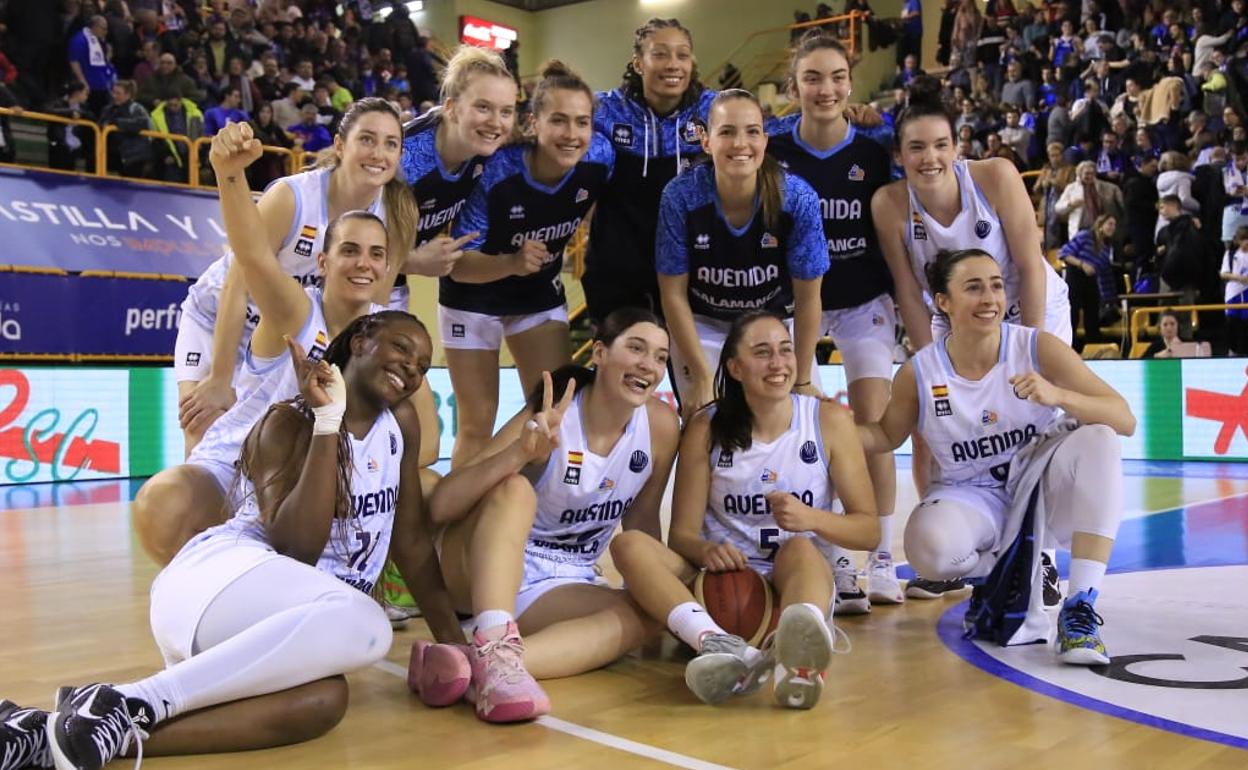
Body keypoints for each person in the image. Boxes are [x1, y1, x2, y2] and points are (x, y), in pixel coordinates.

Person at [0, 310, 461, 770]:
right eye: (401, 348)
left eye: (422, 365)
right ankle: (132, 699)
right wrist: (328, 422)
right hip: (216, 583)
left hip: (265, 632)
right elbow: (297, 549)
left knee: (324, 700)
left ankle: (55, 734)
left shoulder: (399, 426)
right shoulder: (289, 422)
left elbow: (414, 545)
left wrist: (461, 651)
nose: (411, 368)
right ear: (361, 340)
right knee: (369, 625)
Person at [132, 121, 434, 574]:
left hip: (312, 480)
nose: (364, 264)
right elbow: (250, 258)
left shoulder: (391, 343)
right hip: (242, 456)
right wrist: (228, 175)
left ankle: (362, 574)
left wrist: (355, 450)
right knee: (165, 501)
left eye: (376, 254)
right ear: (323, 261)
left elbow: (426, 445)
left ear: (389, 265)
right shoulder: (297, 307)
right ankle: (210, 585)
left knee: (424, 486)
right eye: (350, 250)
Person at [858, 248, 1135, 666]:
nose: (989, 298)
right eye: (973, 287)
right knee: (927, 550)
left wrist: (1057, 394)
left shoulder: (1036, 347)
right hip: (972, 495)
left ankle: (1079, 608)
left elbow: (1124, 418)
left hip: (1041, 488)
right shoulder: (919, 371)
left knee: (1100, 438)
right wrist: (827, 426)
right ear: (943, 302)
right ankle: (1002, 575)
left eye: (996, 285)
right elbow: (883, 435)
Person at [412, 308, 680, 723]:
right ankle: (493, 639)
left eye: (661, 357)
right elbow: (443, 503)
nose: (649, 364)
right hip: (483, 569)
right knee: (515, 488)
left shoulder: (660, 426)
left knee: (647, 612)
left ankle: (472, 664)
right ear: (601, 353)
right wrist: (520, 453)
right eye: (636, 348)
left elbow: (643, 523)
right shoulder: (556, 411)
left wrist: (653, 597)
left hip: (561, 579)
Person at [611, 312, 879, 708]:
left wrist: (811, 519)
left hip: (792, 582)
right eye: (763, 353)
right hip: (718, 587)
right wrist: (705, 551)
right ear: (735, 368)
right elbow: (681, 535)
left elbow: (869, 530)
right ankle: (719, 644)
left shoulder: (828, 421)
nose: (778, 363)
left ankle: (798, 661)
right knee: (629, 545)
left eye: (785, 350)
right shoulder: (706, 427)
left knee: (801, 548)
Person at [872, 76, 1070, 600]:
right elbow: (910, 295)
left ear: (957, 148)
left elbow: (1030, 263)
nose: (929, 157)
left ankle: (1042, 560)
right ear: (900, 155)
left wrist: (1029, 350)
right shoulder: (889, 204)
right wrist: (925, 363)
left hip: (1026, 301)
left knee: (1037, 420)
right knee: (926, 424)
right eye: (916, 147)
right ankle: (953, 553)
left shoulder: (996, 176)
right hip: (948, 313)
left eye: (940, 145)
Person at [174, 98, 419, 455]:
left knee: (277, 448)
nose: (378, 153)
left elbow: (367, 315)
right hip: (219, 318)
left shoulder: (393, 217)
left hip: (285, 336)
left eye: (390, 143)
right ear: (339, 146)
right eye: (367, 139)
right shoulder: (293, 197)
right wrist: (220, 378)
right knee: (205, 435)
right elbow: (236, 287)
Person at [765, 32, 902, 610]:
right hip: (795, 303)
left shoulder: (877, 145)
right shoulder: (770, 147)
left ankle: (884, 556)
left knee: (874, 424)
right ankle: (832, 559)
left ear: (851, 82)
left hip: (864, 300)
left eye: (837, 77)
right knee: (790, 422)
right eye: (812, 78)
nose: (825, 89)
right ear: (793, 86)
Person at [441, 61, 613, 467]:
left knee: (551, 411)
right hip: (472, 296)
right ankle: (461, 522)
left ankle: (539, 517)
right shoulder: (497, 171)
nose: (572, 134)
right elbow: (457, 265)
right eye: (559, 121)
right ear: (533, 123)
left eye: (582, 122)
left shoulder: (600, 157)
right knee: (476, 424)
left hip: (537, 293)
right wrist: (512, 263)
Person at [657, 89, 827, 420]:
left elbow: (809, 299)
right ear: (706, 142)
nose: (740, 143)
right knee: (707, 422)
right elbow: (672, 294)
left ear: (764, 140)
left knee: (798, 421)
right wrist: (703, 375)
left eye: (751, 132)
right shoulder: (680, 197)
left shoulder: (797, 198)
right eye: (727, 132)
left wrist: (803, 379)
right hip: (704, 322)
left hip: (776, 321)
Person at [582, 18, 717, 327]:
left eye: (682, 55)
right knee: (619, 370)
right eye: (660, 54)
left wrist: (840, 118)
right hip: (615, 272)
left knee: (693, 372)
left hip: (691, 270)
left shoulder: (715, 110)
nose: (673, 64)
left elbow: (771, 133)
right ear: (638, 63)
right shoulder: (603, 110)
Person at [397, 45, 518, 314]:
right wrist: (412, 261)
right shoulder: (403, 159)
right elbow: (341, 236)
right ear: (451, 108)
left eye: (506, 111)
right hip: (321, 271)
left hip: (390, 276)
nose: (496, 123)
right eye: (483, 107)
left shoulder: (487, 148)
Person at [1059, 214, 1121, 347]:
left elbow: (1105, 273)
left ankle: (1092, 346)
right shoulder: (1085, 235)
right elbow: (1064, 253)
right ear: (1101, 225)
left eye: (1114, 225)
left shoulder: (1107, 246)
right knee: (1073, 313)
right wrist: (1082, 264)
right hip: (1076, 274)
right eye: (1110, 224)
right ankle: (1070, 345)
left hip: (1091, 279)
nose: (1112, 228)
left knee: (1092, 314)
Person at [1220, 229, 1248, 355]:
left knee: (1245, 325)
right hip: (1233, 294)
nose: (1246, 242)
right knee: (1232, 323)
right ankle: (1232, 352)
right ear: (1237, 240)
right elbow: (1223, 274)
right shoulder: (1230, 254)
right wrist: (1240, 278)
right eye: (1243, 239)